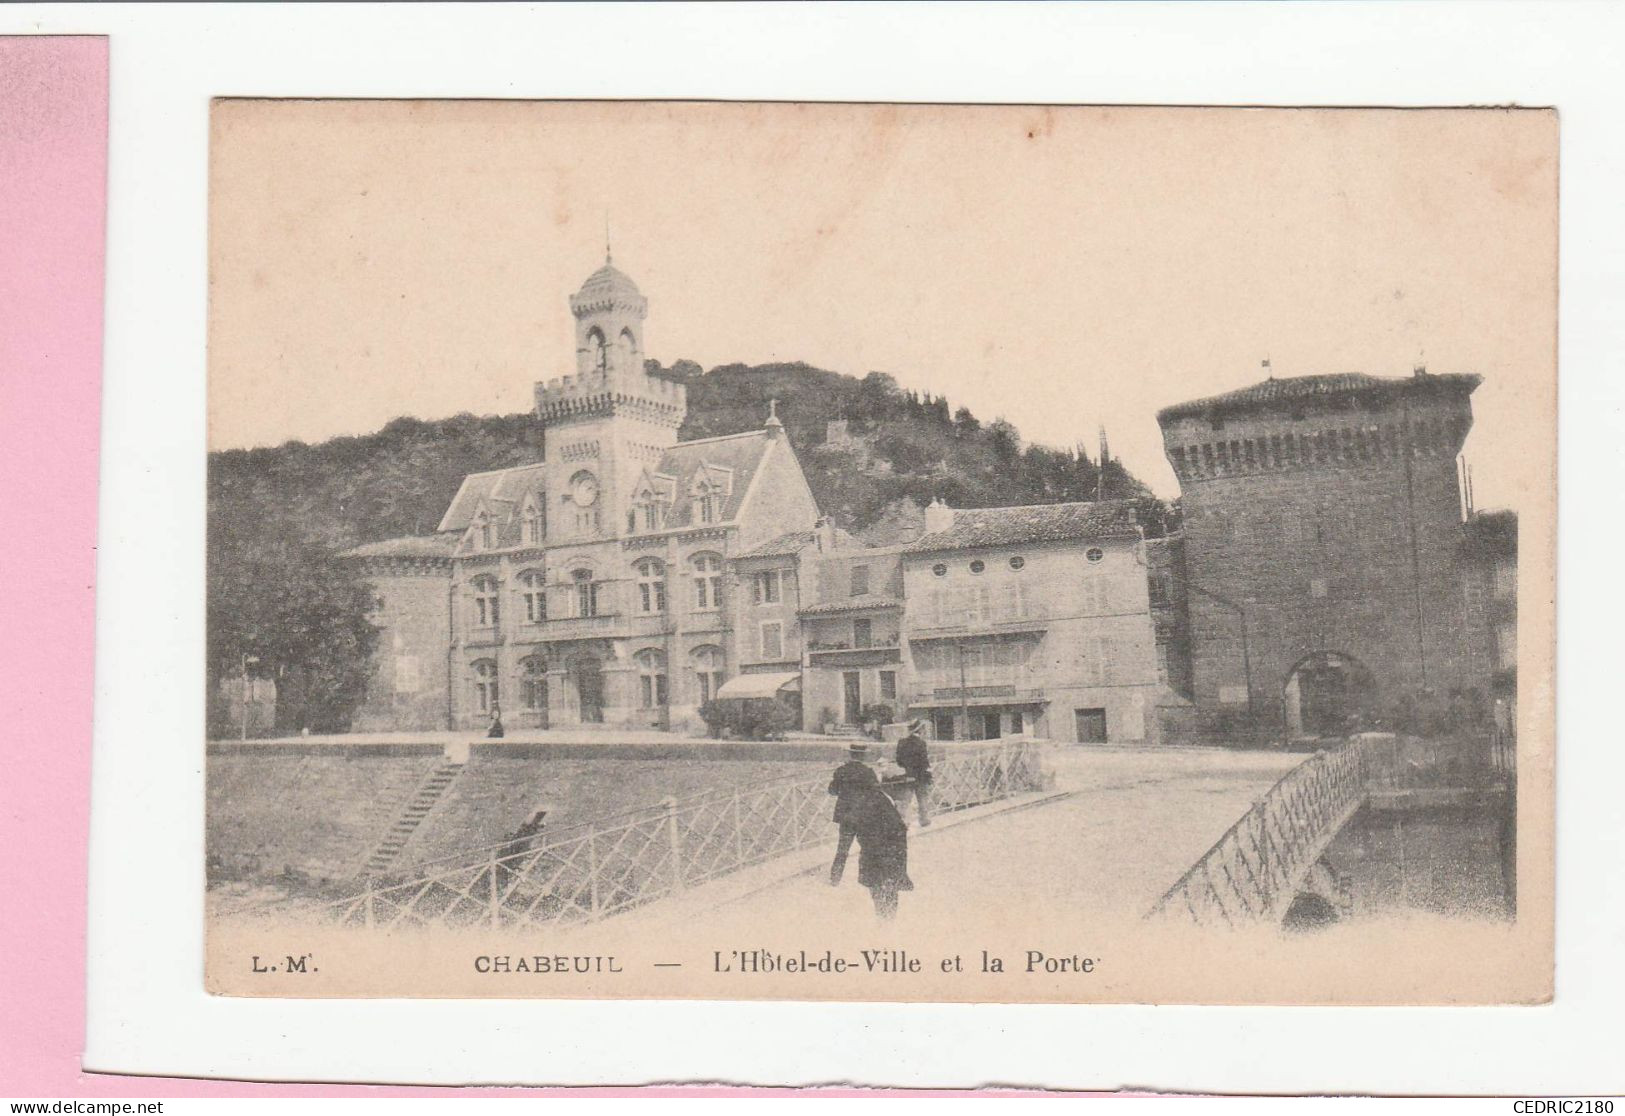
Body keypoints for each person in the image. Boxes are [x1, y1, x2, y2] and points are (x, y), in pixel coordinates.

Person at [851, 781, 913, 919]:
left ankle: (884, 923)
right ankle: (886, 926)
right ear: (893, 788)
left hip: (877, 859)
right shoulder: (882, 804)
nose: (909, 795)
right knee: (887, 899)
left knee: (881, 897)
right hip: (885, 860)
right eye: (906, 789)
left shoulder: (878, 800)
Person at [827, 741, 880, 885]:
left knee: (842, 848)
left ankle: (835, 878)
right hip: (864, 815)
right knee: (867, 847)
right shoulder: (868, 772)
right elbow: (876, 793)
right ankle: (866, 877)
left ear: (850, 754)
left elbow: (832, 791)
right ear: (863, 757)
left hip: (846, 815)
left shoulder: (841, 771)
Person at [894, 718, 933, 826]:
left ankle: (903, 821)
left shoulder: (901, 742)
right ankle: (924, 820)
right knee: (922, 798)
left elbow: (899, 761)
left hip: (907, 774)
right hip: (920, 776)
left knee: (905, 800)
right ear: (920, 730)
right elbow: (924, 761)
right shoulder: (921, 743)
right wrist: (928, 773)